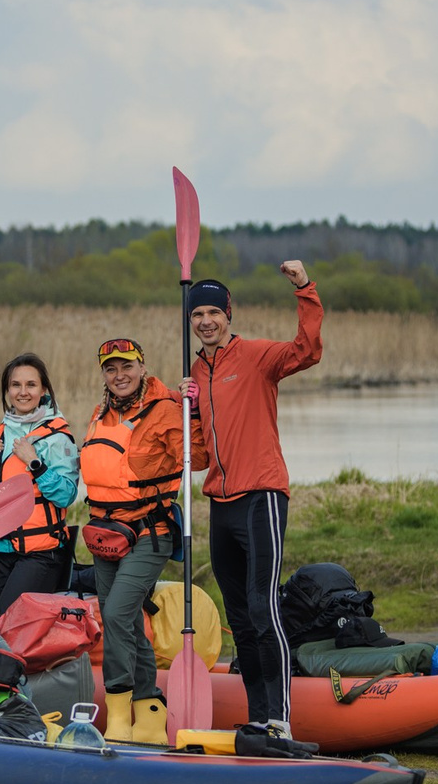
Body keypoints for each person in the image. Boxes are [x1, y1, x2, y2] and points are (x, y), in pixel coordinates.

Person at [183, 260, 323, 754]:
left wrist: (303, 288)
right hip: (220, 502)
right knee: (240, 617)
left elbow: (307, 351)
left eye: (212, 313)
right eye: (196, 313)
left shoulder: (258, 356)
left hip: (261, 495)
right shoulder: (195, 372)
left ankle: (281, 721)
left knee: (264, 610)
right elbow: (199, 456)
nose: (205, 321)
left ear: (227, 315)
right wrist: (189, 412)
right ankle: (259, 719)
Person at [77, 337, 200, 746]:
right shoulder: (100, 413)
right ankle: (150, 713)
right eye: (111, 369)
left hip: (151, 533)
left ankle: (118, 714)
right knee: (128, 620)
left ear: (142, 367)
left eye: (127, 366)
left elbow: (195, 458)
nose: (119, 375)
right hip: (106, 536)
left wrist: (191, 409)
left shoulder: (165, 410)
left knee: (113, 615)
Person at [0, 352, 80, 612]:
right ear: (7, 391)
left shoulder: (57, 437)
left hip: (42, 554)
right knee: (7, 631)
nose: (23, 392)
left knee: (5, 625)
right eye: (16, 385)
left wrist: (36, 464)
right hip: (3, 552)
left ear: (43, 390)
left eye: (31, 384)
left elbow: (66, 495)